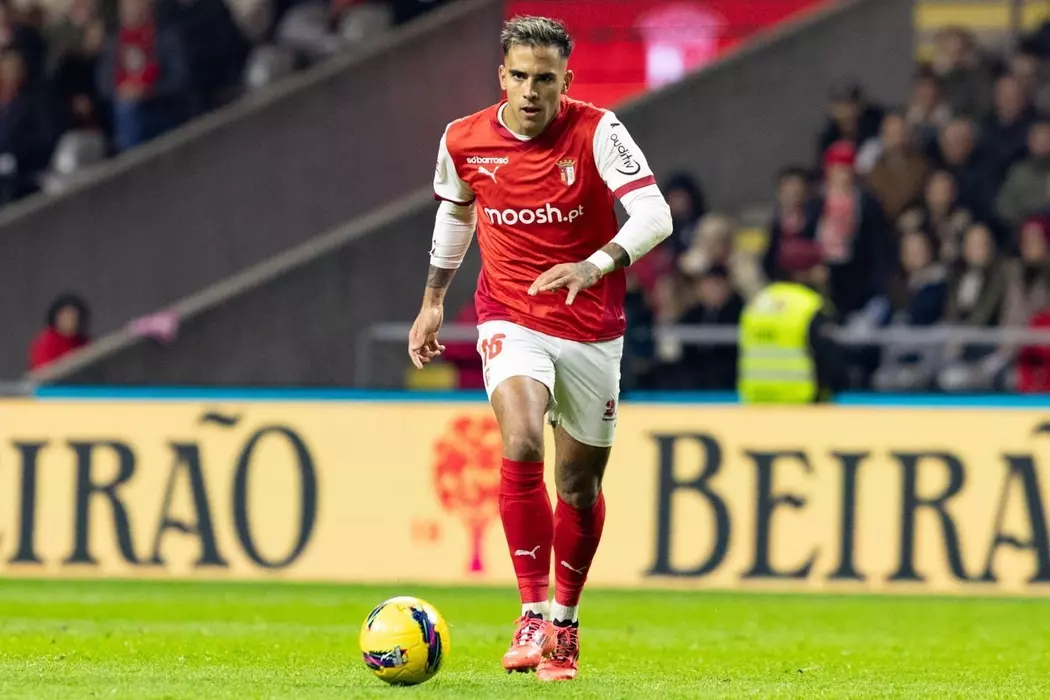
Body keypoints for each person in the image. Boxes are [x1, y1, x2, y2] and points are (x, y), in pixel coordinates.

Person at [406, 15, 672, 682]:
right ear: (502, 75)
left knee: (578, 486)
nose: (531, 91)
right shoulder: (463, 139)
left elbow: (655, 215)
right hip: (510, 314)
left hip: (591, 328)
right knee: (522, 437)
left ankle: (564, 622)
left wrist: (595, 264)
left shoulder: (598, 130)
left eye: (545, 79)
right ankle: (530, 612)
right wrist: (434, 299)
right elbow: (456, 210)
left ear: (566, 80)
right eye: (520, 76)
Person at [738, 239, 848, 403]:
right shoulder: (811, 305)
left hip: (756, 401)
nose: (824, 273)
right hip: (801, 402)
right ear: (801, 273)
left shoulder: (758, 303)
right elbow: (829, 358)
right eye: (818, 267)